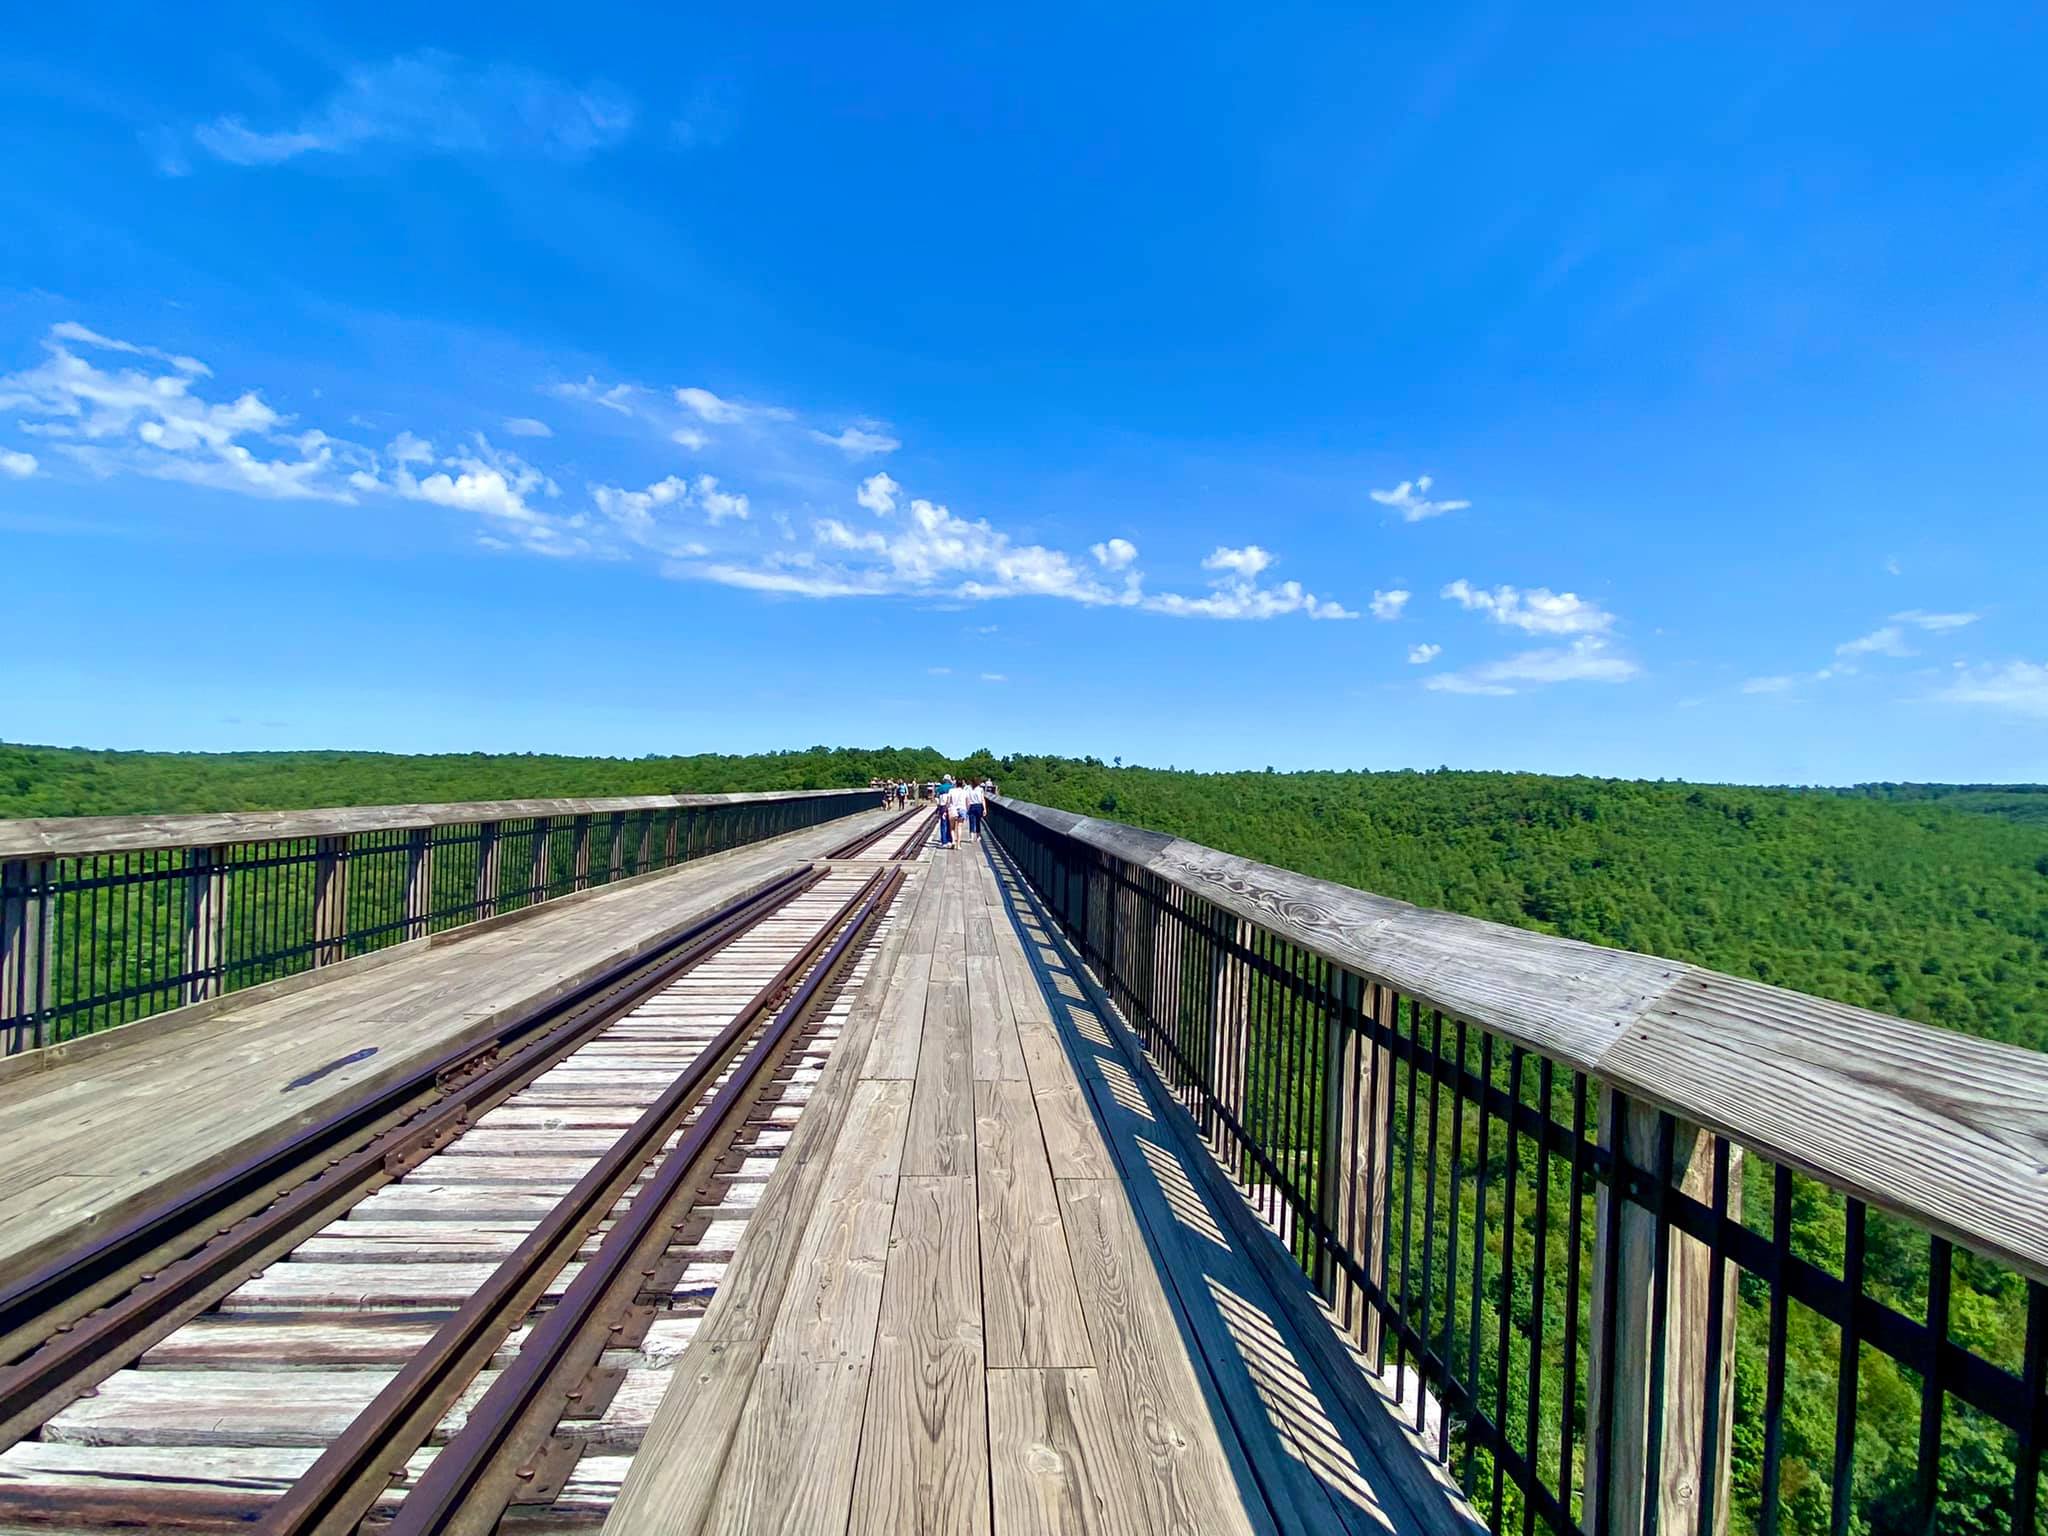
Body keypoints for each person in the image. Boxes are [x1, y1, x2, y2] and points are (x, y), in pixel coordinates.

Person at [936, 776, 954, 846]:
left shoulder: (940, 787)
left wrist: (938, 806)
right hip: (950, 807)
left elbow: (936, 797)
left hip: (942, 807)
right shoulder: (952, 787)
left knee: (943, 824)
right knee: (950, 824)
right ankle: (950, 839)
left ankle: (944, 841)